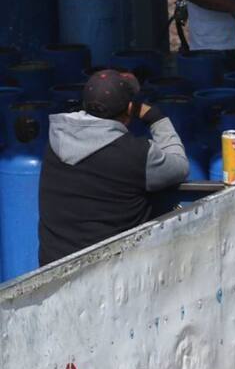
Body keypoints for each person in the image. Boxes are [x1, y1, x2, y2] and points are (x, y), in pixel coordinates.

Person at [38, 69, 189, 265]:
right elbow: (180, 166)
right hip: (108, 272)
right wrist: (156, 118)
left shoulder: (55, 142)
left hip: (52, 267)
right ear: (128, 111)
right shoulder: (136, 154)